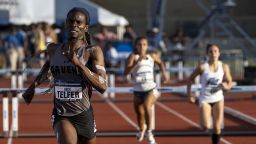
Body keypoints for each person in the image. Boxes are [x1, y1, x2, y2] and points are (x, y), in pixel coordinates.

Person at [22, 7, 108, 144]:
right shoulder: (53, 49)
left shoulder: (92, 51)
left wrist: (78, 64)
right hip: (61, 114)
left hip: (84, 114)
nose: (74, 24)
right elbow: (47, 67)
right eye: (70, 21)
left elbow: (103, 85)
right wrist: (32, 87)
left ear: (85, 27)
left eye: (78, 22)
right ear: (66, 24)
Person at [124, 36, 168, 144]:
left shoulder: (152, 56)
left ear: (147, 46)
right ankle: (141, 129)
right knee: (140, 114)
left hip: (150, 89)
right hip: (138, 91)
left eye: (144, 44)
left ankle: (149, 132)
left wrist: (164, 74)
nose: (142, 47)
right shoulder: (133, 56)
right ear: (136, 46)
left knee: (147, 107)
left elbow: (161, 63)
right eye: (139, 44)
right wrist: (135, 63)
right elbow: (125, 73)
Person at [187, 44, 233, 144]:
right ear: (207, 53)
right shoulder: (202, 67)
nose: (213, 54)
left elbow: (230, 82)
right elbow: (190, 79)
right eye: (211, 51)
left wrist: (226, 86)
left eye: (215, 51)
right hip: (205, 99)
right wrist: (189, 95)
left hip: (218, 99)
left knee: (217, 128)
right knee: (206, 126)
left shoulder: (224, 67)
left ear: (219, 53)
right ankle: (200, 107)